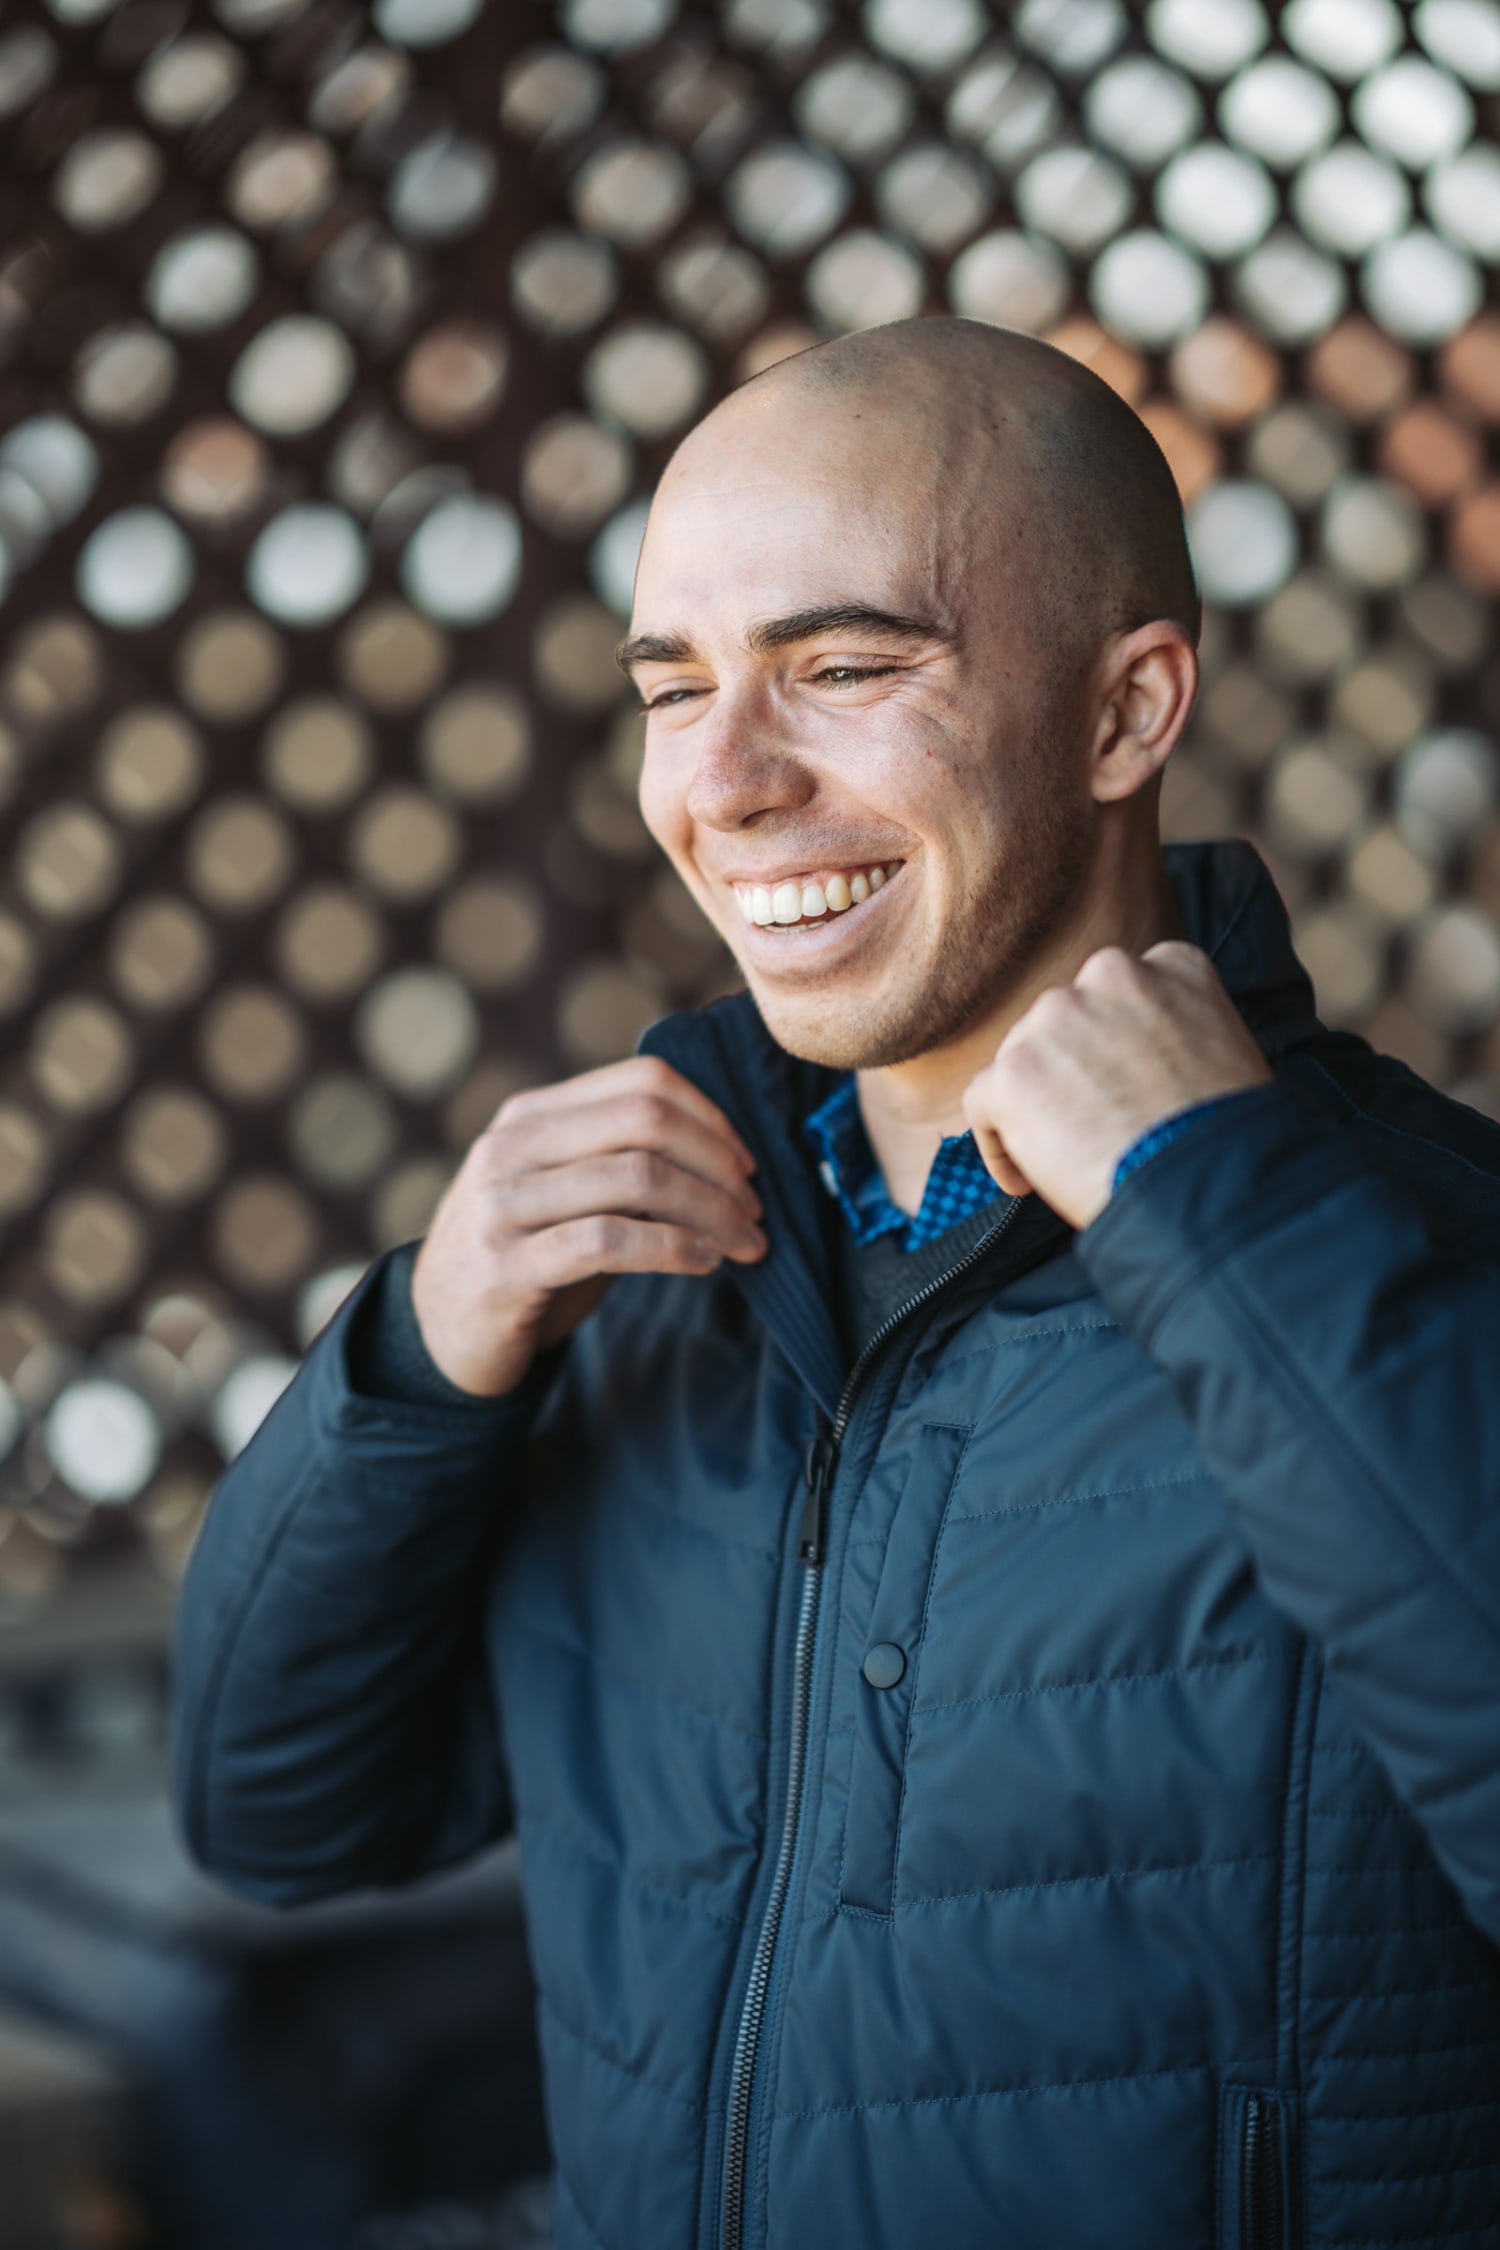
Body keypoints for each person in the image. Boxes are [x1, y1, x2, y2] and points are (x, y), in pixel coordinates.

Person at [171, 318, 1500, 2250]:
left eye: (846, 668)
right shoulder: (632, 1269)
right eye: (672, 687)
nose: (721, 783)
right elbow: (281, 1810)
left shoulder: (1417, 1236)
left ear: (1127, 713)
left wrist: (1223, 1214)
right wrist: (420, 1355)